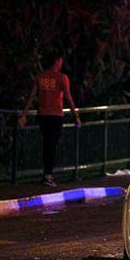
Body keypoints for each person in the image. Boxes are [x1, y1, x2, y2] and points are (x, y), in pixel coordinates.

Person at [19, 53, 81, 187]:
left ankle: (46, 174)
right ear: (57, 61)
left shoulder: (40, 77)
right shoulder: (62, 78)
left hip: (42, 115)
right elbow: (68, 98)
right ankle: (48, 176)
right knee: (52, 145)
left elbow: (32, 96)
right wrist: (76, 116)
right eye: (60, 61)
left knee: (47, 144)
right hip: (55, 116)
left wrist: (24, 114)